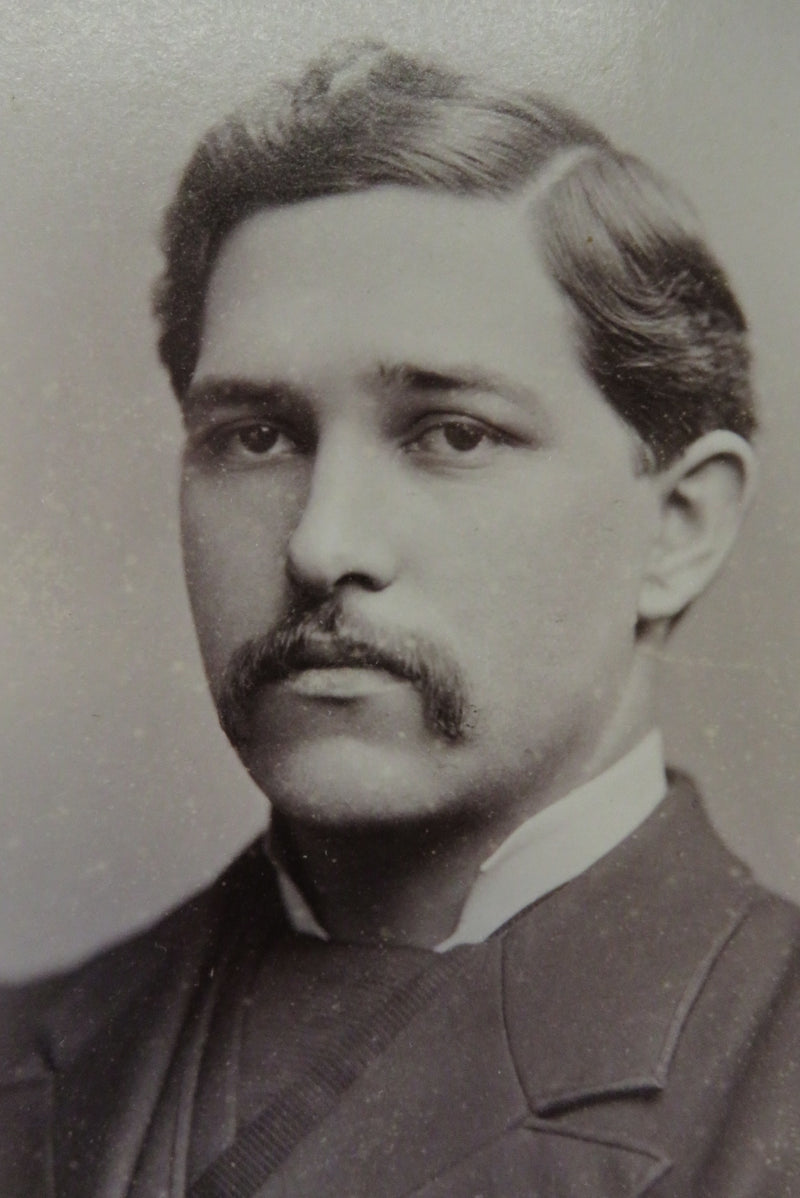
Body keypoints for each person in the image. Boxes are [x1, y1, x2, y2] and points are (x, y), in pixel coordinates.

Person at [2, 40, 799, 1198]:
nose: (324, 543)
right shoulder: (29, 1062)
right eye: (255, 436)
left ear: (676, 525)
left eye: (450, 434)